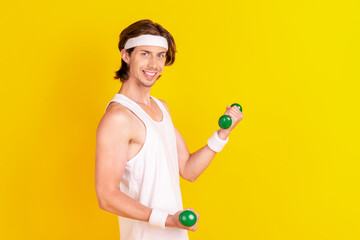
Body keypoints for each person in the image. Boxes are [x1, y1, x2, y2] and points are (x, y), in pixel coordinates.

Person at [95, 19, 243, 240]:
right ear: (126, 55)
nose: (154, 64)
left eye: (160, 55)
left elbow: (188, 169)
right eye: (145, 53)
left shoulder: (160, 107)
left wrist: (222, 134)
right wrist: (167, 219)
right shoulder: (118, 118)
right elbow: (107, 196)